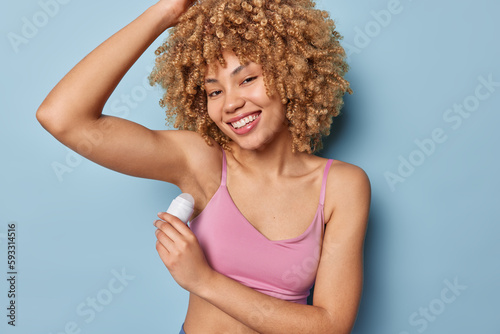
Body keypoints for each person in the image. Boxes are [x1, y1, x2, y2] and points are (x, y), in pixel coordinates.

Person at [36, 0, 371, 333]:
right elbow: (62, 118)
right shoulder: (203, 162)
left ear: (289, 72)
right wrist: (166, 12)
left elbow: (331, 326)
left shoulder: (342, 185)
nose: (230, 104)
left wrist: (204, 281)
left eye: (247, 79)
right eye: (213, 92)